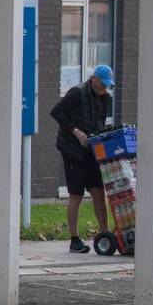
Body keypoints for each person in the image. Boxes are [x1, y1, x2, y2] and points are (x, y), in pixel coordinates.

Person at [50, 64, 115, 253]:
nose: (104, 88)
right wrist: (75, 131)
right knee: (76, 194)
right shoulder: (77, 93)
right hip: (72, 151)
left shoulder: (106, 99)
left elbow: (100, 123)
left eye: (107, 85)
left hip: (92, 150)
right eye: (102, 83)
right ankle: (74, 239)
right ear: (93, 79)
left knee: (98, 191)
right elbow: (56, 112)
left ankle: (105, 234)